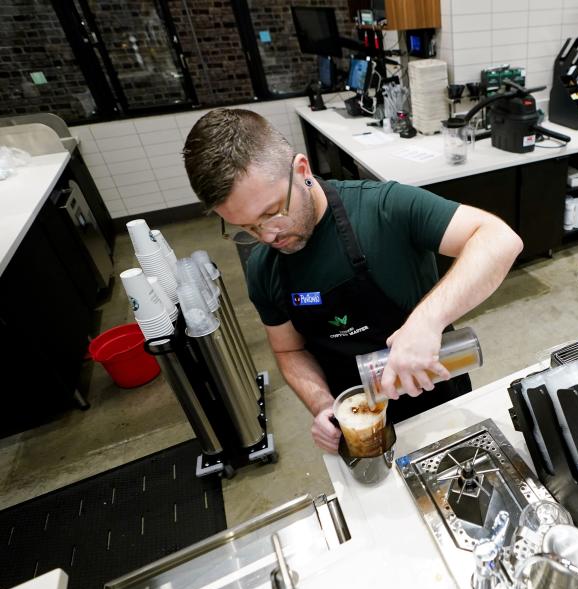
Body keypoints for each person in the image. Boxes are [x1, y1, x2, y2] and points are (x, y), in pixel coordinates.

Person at [182, 108, 523, 453]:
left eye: (272, 213)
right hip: (357, 420)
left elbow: (499, 239)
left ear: (302, 170)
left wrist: (426, 321)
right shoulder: (263, 269)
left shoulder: (384, 209)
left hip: (436, 401)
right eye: (247, 228)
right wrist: (321, 405)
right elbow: (289, 350)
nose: (267, 235)